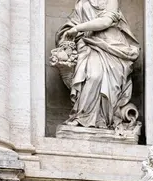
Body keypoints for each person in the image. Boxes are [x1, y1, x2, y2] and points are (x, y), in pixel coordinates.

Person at [55, 0, 140, 130]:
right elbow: (70, 25)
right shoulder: (83, 3)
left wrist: (77, 28)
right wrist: (67, 34)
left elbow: (106, 22)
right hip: (88, 44)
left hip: (112, 46)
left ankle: (105, 120)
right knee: (93, 76)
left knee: (107, 83)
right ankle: (82, 117)